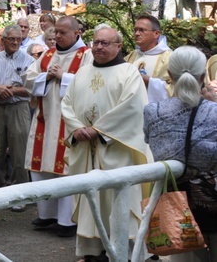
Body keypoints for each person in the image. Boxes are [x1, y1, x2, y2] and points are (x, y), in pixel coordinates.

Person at [61, 24, 151, 262]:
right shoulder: (82, 72)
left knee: (117, 201)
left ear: (119, 46)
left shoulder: (129, 72)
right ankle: (92, 251)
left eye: (105, 43)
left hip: (116, 150)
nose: (98, 47)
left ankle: (124, 252)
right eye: (96, 42)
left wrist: (98, 130)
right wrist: (76, 127)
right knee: (92, 202)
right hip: (87, 149)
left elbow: (132, 108)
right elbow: (67, 103)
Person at [143, 46, 217, 262]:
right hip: (213, 203)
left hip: (177, 209)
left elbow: (153, 143)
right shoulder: (214, 111)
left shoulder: (153, 112)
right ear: (203, 76)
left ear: (169, 76)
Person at [23, 16, 93, 237]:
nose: (57, 37)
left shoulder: (87, 55)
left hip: (70, 122)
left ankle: (67, 220)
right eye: (56, 33)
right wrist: (45, 77)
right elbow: (28, 77)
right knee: (41, 168)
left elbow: (93, 83)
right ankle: (47, 215)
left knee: (67, 170)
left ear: (76, 32)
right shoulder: (49, 53)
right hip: (45, 118)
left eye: (62, 33)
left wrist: (64, 77)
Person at [0, 24, 34, 192]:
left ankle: (19, 192)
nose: (16, 42)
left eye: (19, 39)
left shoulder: (29, 60)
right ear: (3, 39)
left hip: (19, 107)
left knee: (19, 151)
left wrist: (12, 90)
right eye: (12, 39)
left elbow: (34, 87)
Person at [124, 14, 172, 103]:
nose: (137, 34)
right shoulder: (132, 55)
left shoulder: (170, 58)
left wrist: (149, 81)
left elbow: (175, 89)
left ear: (156, 34)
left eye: (142, 30)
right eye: (135, 30)